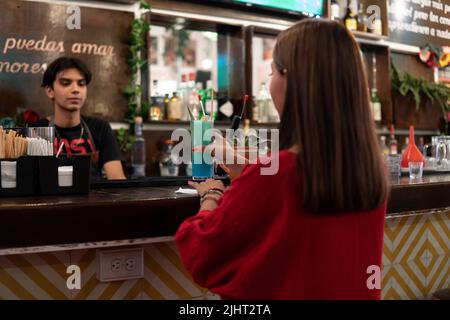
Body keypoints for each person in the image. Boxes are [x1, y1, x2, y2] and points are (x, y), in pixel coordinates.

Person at [175, 19, 389, 299]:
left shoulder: (279, 175)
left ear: (293, 81)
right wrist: (247, 168)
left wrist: (211, 195)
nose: (270, 81)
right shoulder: (373, 170)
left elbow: (201, 254)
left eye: (273, 72)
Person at [35, 57, 126, 180]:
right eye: (66, 83)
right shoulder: (36, 131)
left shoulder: (99, 128)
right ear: (50, 91)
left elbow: (117, 179)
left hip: (92, 198)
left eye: (81, 84)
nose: (75, 89)